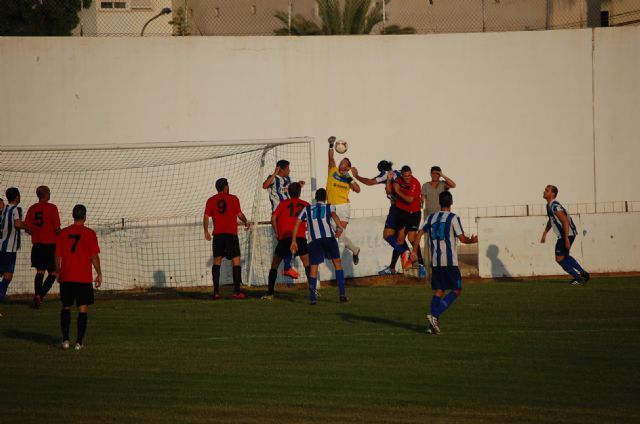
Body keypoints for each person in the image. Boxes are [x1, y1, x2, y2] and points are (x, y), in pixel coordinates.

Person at [411, 191, 477, 335]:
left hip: (436, 261)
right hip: (449, 262)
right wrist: (472, 240)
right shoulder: (453, 218)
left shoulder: (431, 218)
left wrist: (414, 251)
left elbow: (420, 233)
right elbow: (463, 239)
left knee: (439, 291)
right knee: (456, 290)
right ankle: (434, 315)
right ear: (451, 202)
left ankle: (430, 325)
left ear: (440, 202)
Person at [56, 204, 102, 350]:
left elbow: (57, 256)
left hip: (67, 275)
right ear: (85, 216)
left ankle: (65, 341)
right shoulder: (90, 233)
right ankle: (79, 342)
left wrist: (58, 272)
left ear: (73, 215)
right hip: (82, 277)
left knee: (66, 307)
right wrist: (99, 273)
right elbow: (94, 256)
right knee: (82, 308)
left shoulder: (63, 233)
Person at [291, 188, 347, 304]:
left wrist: (293, 240)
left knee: (313, 267)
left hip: (314, 240)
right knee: (337, 263)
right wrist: (340, 228)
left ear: (316, 198)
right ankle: (342, 294)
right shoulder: (329, 206)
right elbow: (334, 215)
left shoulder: (306, 209)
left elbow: (297, 223)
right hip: (328, 238)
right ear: (325, 198)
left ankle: (312, 298)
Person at [351, 161, 406, 275]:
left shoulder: (385, 174)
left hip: (397, 208)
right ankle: (396, 266)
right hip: (408, 208)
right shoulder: (400, 172)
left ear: (381, 170)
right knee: (400, 238)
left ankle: (405, 253)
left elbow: (369, 182)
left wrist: (356, 176)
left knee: (388, 235)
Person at [203, 178, 250, 299]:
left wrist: (206, 231)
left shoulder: (211, 200)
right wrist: (246, 222)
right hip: (231, 234)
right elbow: (239, 214)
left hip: (218, 235)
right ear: (225, 187)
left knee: (217, 261)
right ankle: (237, 291)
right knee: (236, 261)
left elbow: (206, 217)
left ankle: (216, 292)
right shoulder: (233, 198)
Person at [263, 182, 310, 300]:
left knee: (274, 265)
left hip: (284, 237)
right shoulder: (306, 204)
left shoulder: (283, 203)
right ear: (299, 193)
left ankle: (270, 293)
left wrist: (276, 232)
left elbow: (273, 218)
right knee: (307, 265)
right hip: (299, 237)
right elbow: (311, 220)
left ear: (288, 192)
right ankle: (313, 291)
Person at [262, 159, 305, 279]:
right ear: (282, 169)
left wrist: (298, 185)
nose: (289, 171)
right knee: (289, 241)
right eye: (288, 169)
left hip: (288, 213)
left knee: (291, 241)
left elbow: (289, 191)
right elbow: (264, 186)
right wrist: (275, 173)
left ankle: (287, 266)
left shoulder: (287, 179)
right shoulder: (273, 178)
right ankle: (287, 267)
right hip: (278, 213)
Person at [540, 185, 590, 285]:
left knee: (559, 259)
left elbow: (565, 221)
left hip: (566, 234)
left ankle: (578, 278)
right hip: (567, 234)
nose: (544, 192)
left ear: (553, 194)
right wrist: (545, 233)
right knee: (565, 256)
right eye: (545, 190)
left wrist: (566, 238)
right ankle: (583, 274)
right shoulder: (549, 205)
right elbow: (551, 220)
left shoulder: (554, 206)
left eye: (547, 190)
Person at [326, 136, 361, 264]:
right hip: (331, 206)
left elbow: (358, 189)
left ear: (347, 167)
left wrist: (350, 177)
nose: (342, 163)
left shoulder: (348, 178)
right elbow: (331, 158)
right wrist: (331, 145)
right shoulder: (333, 170)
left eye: (345, 162)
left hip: (343, 207)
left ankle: (337, 263)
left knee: (340, 234)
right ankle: (355, 250)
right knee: (336, 234)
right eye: (342, 161)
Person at [25, 186, 61, 308]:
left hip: (37, 245)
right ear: (45, 194)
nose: (50, 194)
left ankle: (37, 295)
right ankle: (40, 295)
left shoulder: (32, 208)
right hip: (50, 244)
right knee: (53, 273)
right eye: (49, 192)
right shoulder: (52, 208)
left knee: (40, 272)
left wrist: (34, 232)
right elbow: (56, 228)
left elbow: (27, 227)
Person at [392, 166, 425, 275]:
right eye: (405, 176)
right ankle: (392, 267)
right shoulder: (398, 180)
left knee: (411, 238)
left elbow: (409, 200)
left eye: (409, 175)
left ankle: (421, 264)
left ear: (411, 174)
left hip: (413, 213)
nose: (407, 178)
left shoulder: (415, 183)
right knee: (400, 239)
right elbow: (391, 187)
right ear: (402, 175)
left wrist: (397, 192)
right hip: (402, 212)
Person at [0, 188, 27, 304]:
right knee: (8, 275)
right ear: (17, 197)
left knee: (3, 273)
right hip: (9, 249)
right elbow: (17, 223)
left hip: (1, 246)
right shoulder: (15, 209)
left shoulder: (3, 209)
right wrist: (29, 227)